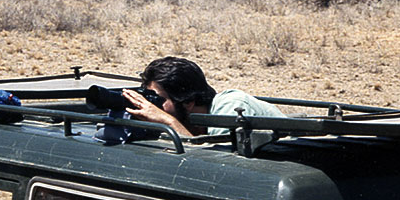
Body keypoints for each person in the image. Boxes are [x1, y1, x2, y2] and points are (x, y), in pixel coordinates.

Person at [122, 56, 285, 136]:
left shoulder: (230, 107)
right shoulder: (191, 119)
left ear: (188, 102)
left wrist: (168, 121)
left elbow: (216, 164)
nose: (154, 107)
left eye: (160, 100)